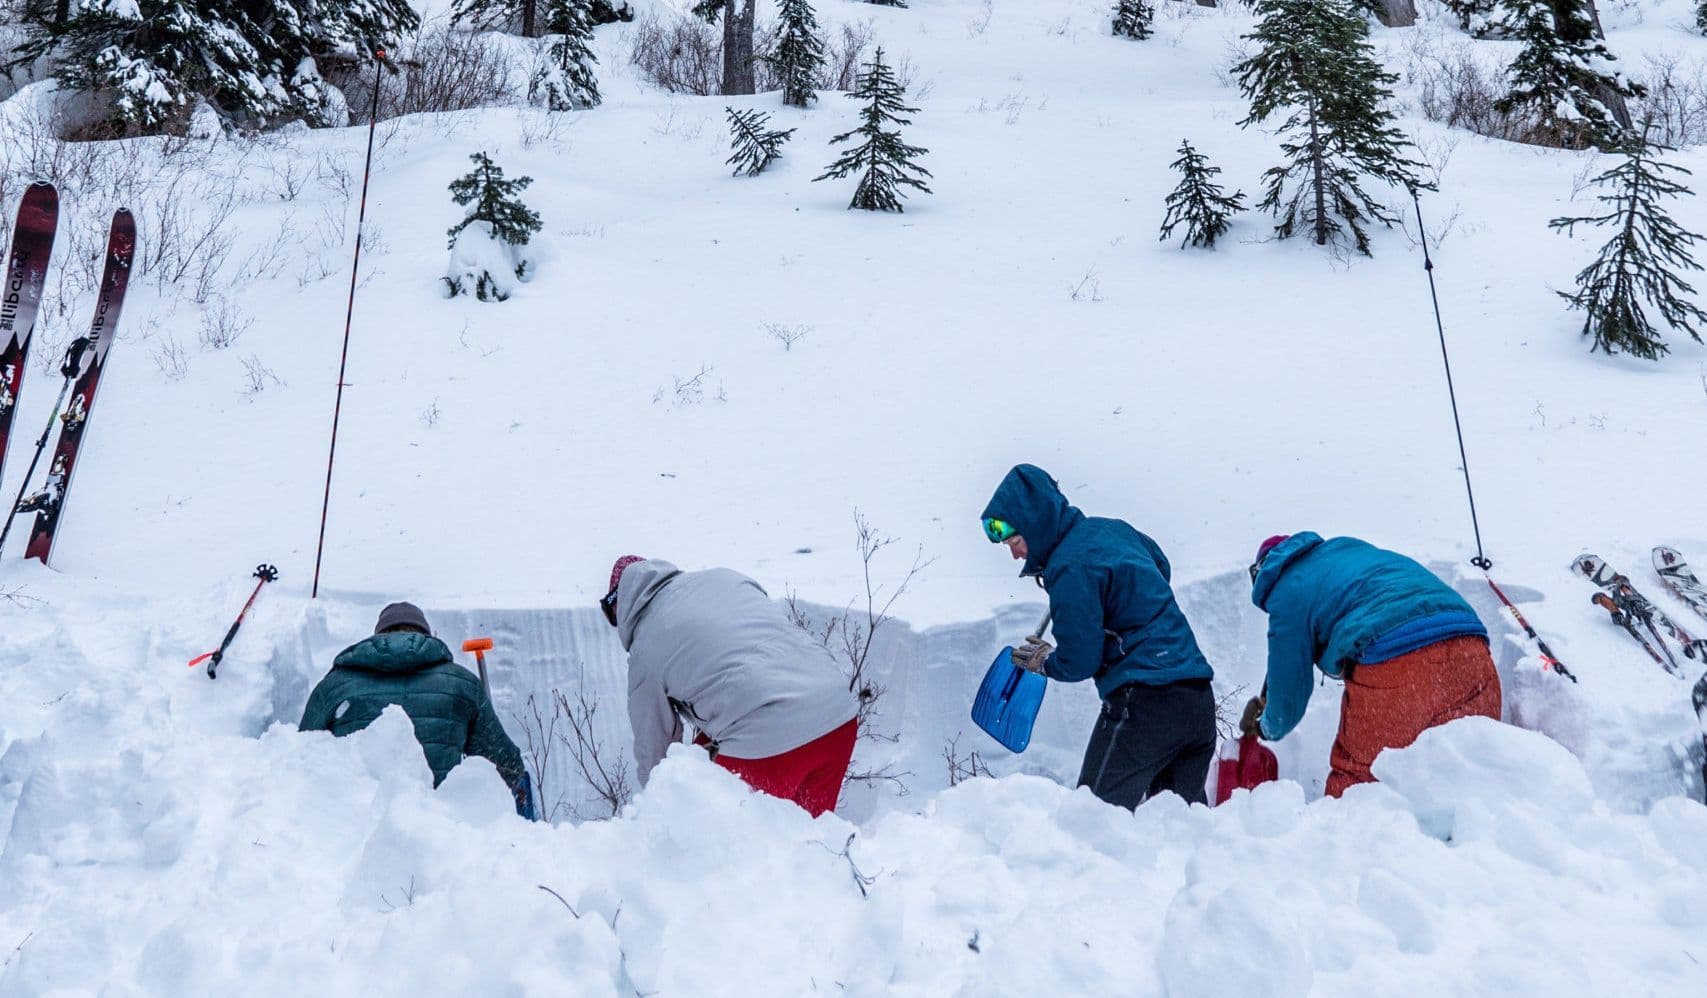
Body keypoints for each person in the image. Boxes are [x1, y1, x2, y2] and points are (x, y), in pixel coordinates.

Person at [980, 464, 1217, 809]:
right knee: (1179, 830)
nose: (1016, 554)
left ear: (1036, 525)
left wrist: (1045, 662)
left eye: (1015, 541)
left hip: (1146, 703)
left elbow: (1080, 660)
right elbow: (1160, 567)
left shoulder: (1069, 566)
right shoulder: (1114, 531)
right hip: (1197, 700)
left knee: (1092, 821)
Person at [1240, 532, 1502, 797]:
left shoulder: (1287, 590)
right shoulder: (1345, 550)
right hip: (1470, 650)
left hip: (1399, 660)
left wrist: (1265, 726)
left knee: (1359, 787)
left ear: (1262, 571)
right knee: (1468, 772)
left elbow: (1289, 691)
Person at [603, 555, 858, 817]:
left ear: (619, 604)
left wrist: (657, 815)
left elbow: (656, 756)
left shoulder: (646, 647)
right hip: (837, 715)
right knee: (813, 847)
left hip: (771, 738)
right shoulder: (725, 577)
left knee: (715, 838)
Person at [300, 601, 531, 814]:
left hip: (349, 826)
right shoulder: (462, 684)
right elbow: (504, 764)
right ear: (425, 636)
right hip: (441, 824)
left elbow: (299, 758)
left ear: (378, 638)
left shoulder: (335, 685)